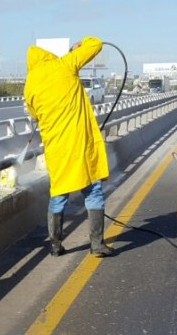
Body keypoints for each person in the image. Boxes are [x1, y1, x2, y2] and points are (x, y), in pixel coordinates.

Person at [24, 37, 114, 257]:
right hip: (80, 145)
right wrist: (79, 45)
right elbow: (96, 44)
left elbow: (34, 114)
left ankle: (55, 245)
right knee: (93, 192)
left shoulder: (30, 83)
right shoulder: (64, 64)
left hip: (57, 149)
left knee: (58, 195)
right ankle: (97, 244)